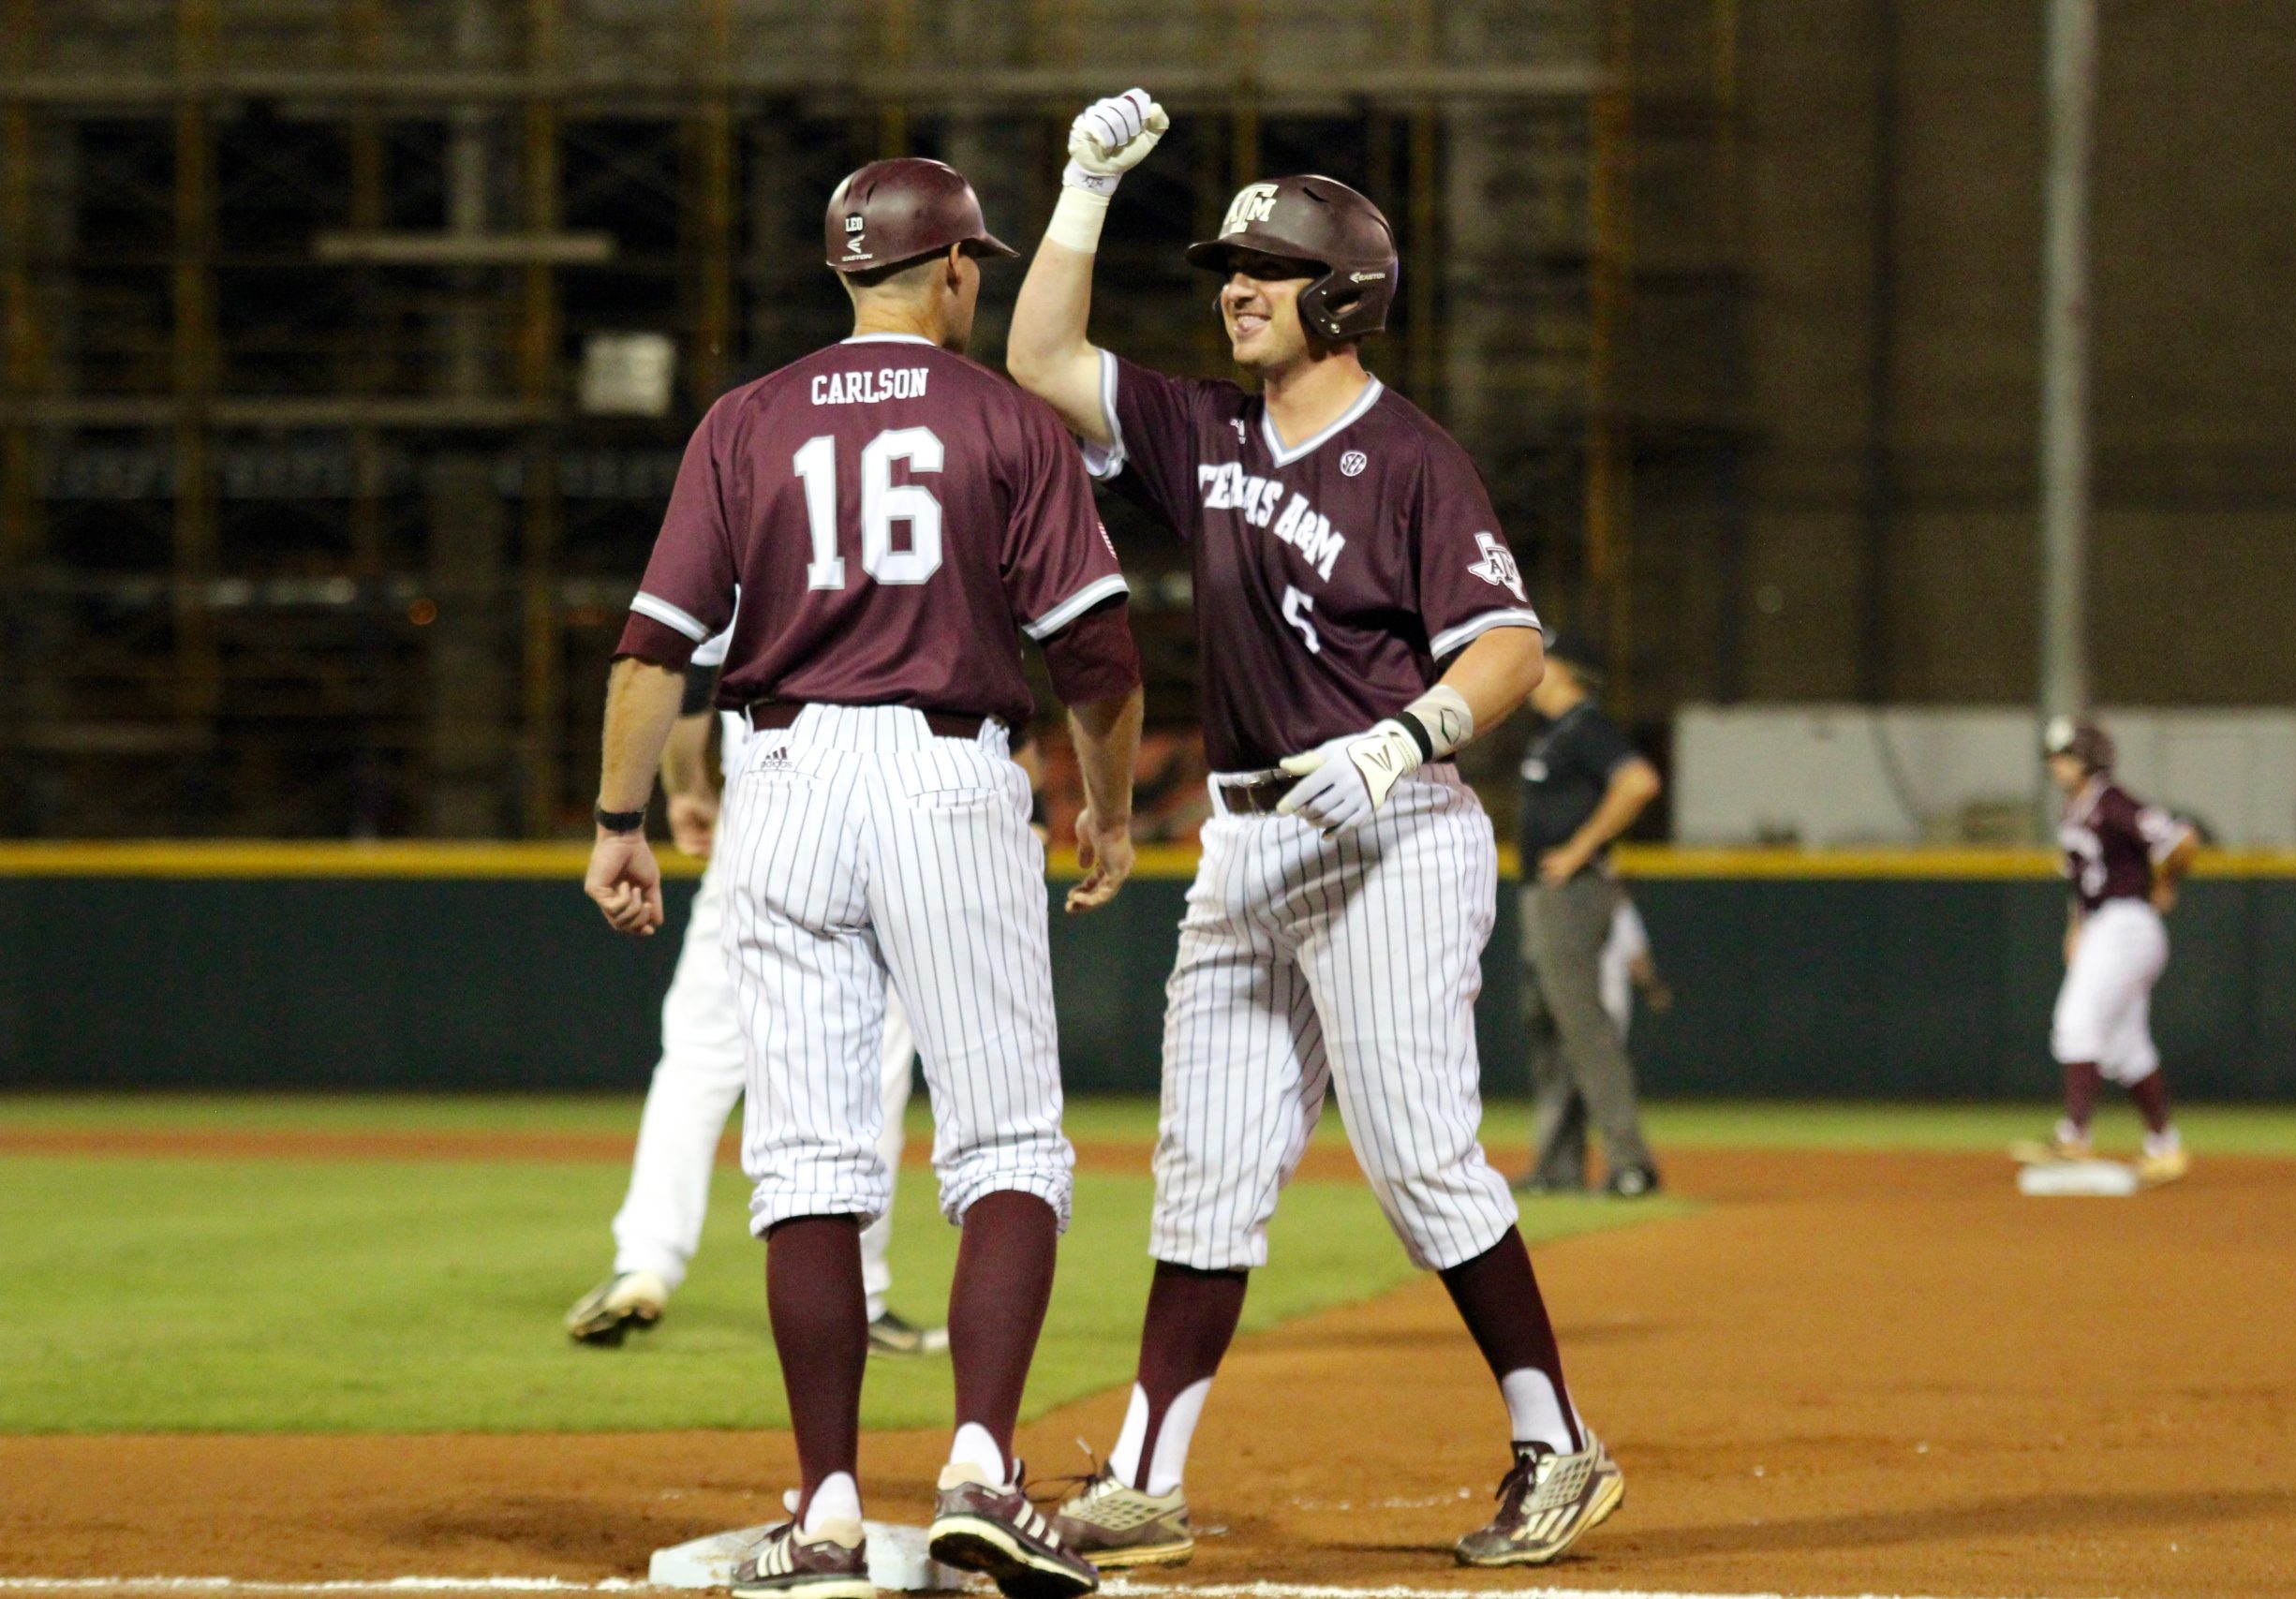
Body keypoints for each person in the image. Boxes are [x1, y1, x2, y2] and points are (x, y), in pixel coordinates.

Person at [1006, 90, 1623, 1571]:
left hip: (1395, 827)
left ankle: (1559, 1441)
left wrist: (1409, 736)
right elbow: (1035, 358)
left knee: (1419, 1155)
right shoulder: (1199, 420)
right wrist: (1085, 192)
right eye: (1228, 264)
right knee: (1206, 1165)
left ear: (1340, 292)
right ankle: (1147, 1473)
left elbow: (1511, 646)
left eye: (1265, 267)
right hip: (1245, 839)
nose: (1234, 285)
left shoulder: (1409, 456)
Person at [584, 155, 1145, 1599]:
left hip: (778, 783)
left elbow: (653, 646)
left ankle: (825, 1509)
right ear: (956, 269)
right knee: (1008, 1142)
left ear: (848, 273)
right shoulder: (1004, 418)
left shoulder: (746, 418)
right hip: (946, 770)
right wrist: (1108, 803)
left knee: (811, 1161)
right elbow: (1095, 649)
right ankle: (977, 1470)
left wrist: (619, 817)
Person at [562, 626, 944, 1358]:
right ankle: (858, 1291)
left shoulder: (753, 516)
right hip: (906, 814)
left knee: (700, 1059)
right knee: (875, 1068)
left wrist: (687, 787)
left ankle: (644, 1261)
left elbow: (688, 678)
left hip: (768, 815)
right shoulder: (933, 516)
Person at [2011, 718, 2198, 1187]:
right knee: (2125, 1047)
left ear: (2088, 758)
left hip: (2126, 924)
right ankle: (2165, 1146)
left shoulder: (2110, 801)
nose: (2057, 766)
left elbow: (2182, 838)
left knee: (2076, 1022)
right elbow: (2080, 879)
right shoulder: (2075, 810)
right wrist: (2076, 926)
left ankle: (2075, 1135)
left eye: (2065, 757)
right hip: (2104, 927)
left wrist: (2167, 881)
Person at [1514, 635, 1665, 1198]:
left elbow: (1638, 781)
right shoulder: (1554, 733)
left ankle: (1631, 1164)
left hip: (1571, 894)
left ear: (1563, 669)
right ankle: (1558, 1166)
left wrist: (1581, 848)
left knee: (1584, 1030)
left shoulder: (1584, 727)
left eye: (1539, 658)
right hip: (1545, 895)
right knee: (1548, 1029)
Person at [1598, 891, 1671, 1053]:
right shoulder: (1616, 904)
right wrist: (1654, 989)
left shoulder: (1556, 904)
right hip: (1604, 1010)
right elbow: (1637, 962)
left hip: (1562, 1007)